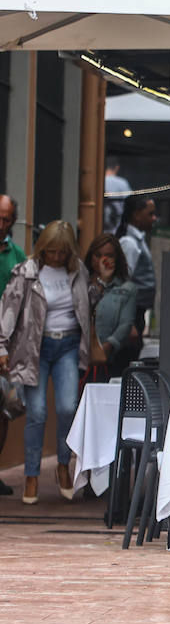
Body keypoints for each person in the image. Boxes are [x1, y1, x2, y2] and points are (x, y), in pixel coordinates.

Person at [0, 221, 92, 505]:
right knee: (36, 412)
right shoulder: (26, 272)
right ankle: (31, 475)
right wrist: (1, 346)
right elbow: (9, 309)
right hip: (34, 348)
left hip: (68, 345)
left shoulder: (78, 271)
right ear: (42, 249)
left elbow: (87, 305)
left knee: (67, 407)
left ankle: (63, 465)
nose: (55, 257)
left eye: (61, 253)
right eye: (50, 251)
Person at [84, 233, 137, 379]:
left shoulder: (127, 289)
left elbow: (125, 324)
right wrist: (102, 283)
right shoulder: (81, 284)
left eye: (109, 255)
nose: (103, 260)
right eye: (98, 255)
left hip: (112, 359)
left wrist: (107, 347)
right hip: (81, 356)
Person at [0, 193, 23, 492]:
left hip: (4, 345)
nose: (1, 223)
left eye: (6, 219)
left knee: (3, 408)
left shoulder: (17, 255)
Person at [116, 195, 158, 340]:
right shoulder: (130, 243)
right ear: (136, 215)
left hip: (138, 311)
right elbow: (123, 282)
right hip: (131, 313)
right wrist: (128, 322)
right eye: (150, 214)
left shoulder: (138, 239)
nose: (154, 218)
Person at [104, 156, 132, 234]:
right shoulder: (122, 183)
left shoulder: (98, 180)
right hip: (116, 231)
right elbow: (131, 204)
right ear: (117, 167)